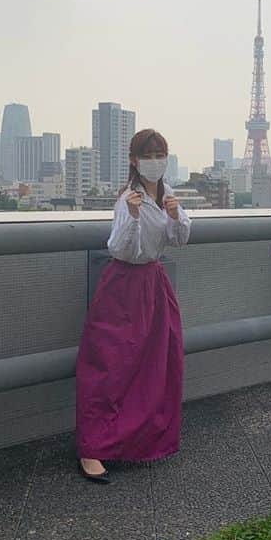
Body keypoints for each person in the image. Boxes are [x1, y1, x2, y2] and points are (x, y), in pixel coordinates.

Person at [75, 129, 190, 483]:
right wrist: (134, 215)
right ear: (134, 160)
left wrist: (174, 215)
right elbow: (120, 247)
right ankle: (92, 448)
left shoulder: (168, 194)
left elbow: (180, 238)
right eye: (148, 153)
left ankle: (140, 441)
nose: (155, 160)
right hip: (123, 285)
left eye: (161, 152)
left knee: (157, 364)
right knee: (110, 365)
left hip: (154, 284)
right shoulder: (128, 198)